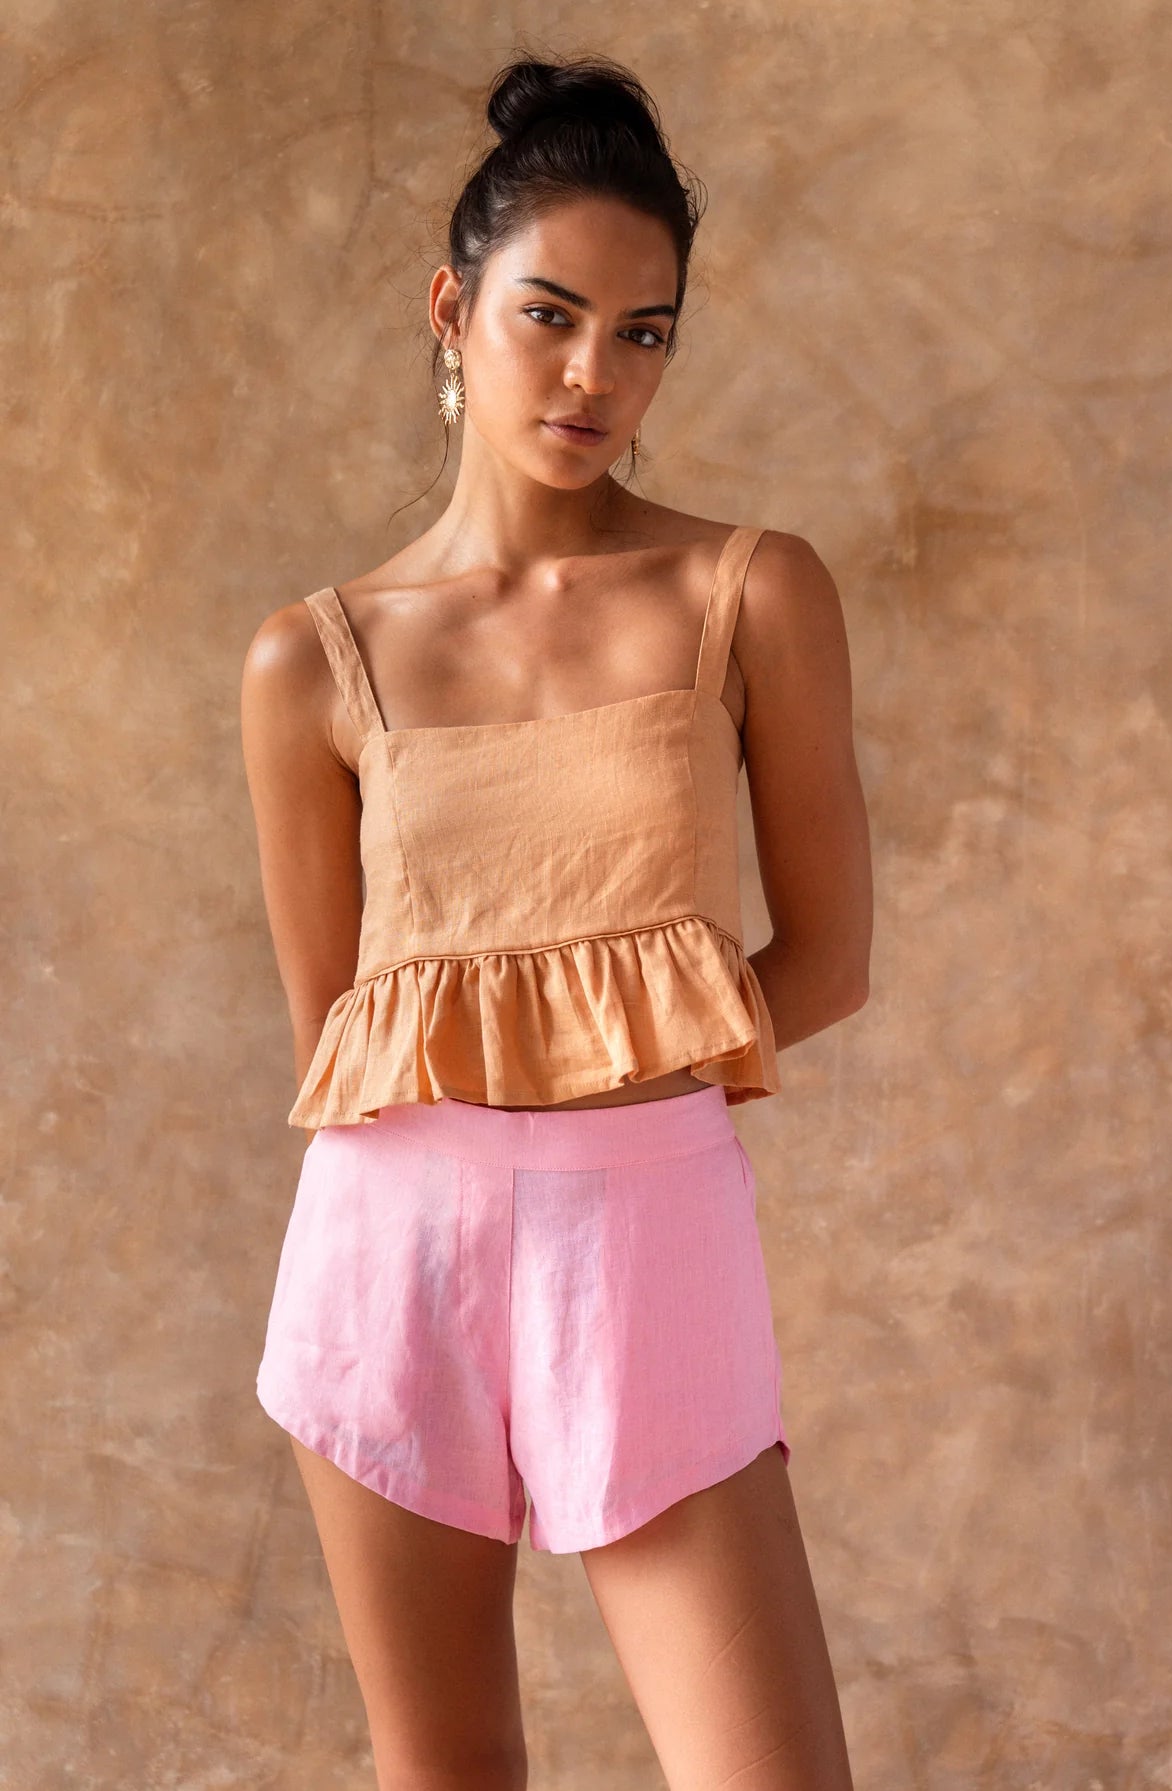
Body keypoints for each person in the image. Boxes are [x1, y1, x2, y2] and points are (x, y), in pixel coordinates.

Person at [240, 48, 871, 1791]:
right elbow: (336, 1041)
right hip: (393, 1252)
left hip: (649, 1241)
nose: (598, 373)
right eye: (553, 315)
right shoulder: (315, 660)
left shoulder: (749, 589)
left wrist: (613, 1077)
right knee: (447, 1774)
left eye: (647, 331)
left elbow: (827, 956)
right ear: (454, 309)